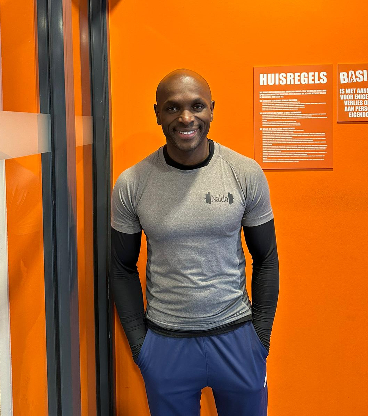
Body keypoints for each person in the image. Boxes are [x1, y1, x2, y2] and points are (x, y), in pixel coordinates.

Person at [111, 69, 279, 416]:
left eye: (197, 106)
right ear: (157, 113)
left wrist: (259, 339)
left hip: (237, 338)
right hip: (166, 343)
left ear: (212, 109)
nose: (186, 118)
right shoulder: (132, 183)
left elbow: (267, 258)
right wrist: (142, 347)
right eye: (173, 108)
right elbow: (121, 267)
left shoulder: (245, 173)